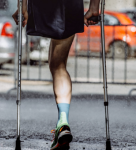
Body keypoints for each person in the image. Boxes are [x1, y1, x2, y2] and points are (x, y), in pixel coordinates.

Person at [12, 0, 100, 149]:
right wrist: (94, 7)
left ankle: (62, 126)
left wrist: (22, 6)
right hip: (69, 5)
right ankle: (63, 122)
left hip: (43, 5)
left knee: (55, 64)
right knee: (58, 65)